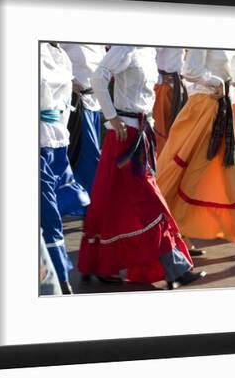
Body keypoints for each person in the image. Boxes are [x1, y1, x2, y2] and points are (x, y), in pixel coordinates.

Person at [77, 46, 206, 290]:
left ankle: (96, 264)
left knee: (110, 200)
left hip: (141, 132)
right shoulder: (125, 48)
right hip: (125, 135)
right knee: (150, 202)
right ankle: (175, 269)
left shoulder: (148, 51)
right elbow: (98, 77)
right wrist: (111, 117)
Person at [157, 49, 235, 254]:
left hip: (227, 109)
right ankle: (176, 233)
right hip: (204, 108)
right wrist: (217, 82)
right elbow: (190, 70)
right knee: (191, 173)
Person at [40, 42, 90, 294]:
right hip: (39, 142)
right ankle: (60, 277)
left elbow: (64, 100)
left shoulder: (59, 54)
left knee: (74, 202)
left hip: (58, 141)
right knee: (49, 215)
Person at [60, 43, 106, 194]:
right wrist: (68, 81)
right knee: (88, 155)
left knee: (91, 154)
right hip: (77, 101)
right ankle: (83, 199)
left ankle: (88, 198)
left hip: (95, 102)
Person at [152, 47, 187, 154]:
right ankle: (161, 168)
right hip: (164, 87)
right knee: (162, 134)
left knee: (179, 135)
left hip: (180, 86)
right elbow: (148, 52)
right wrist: (159, 78)